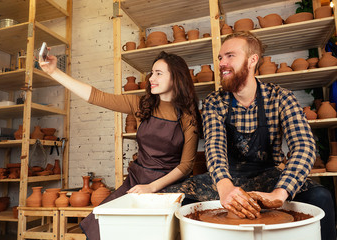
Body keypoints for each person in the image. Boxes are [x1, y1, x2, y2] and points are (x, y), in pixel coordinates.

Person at [163, 31, 336, 240]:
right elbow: (214, 145)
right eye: (220, 58)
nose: (222, 63)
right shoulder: (214, 102)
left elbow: (304, 146)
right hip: (226, 176)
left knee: (321, 196)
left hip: (269, 176)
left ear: (252, 60)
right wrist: (225, 187)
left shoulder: (281, 97)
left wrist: (280, 193)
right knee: (176, 201)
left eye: (230, 56)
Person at [39, 51, 202, 240]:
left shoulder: (188, 117)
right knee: (103, 222)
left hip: (168, 186)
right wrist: (53, 72)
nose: (151, 78)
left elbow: (186, 166)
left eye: (158, 73)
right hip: (137, 180)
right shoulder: (141, 104)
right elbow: (96, 96)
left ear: (176, 78)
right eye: (151, 73)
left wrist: (151, 187)